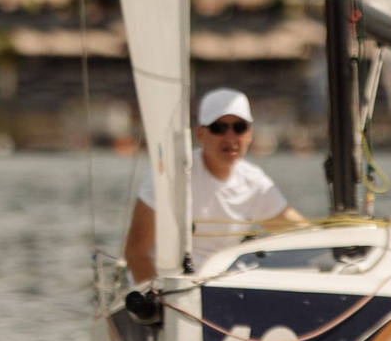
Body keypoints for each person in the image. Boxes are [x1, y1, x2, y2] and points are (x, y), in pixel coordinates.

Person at [124, 90, 307, 284]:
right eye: (219, 128)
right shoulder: (171, 175)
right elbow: (136, 252)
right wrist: (159, 304)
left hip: (216, 291)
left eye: (239, 127)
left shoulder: (254, 181)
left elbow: (300, 231)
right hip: (163, 290)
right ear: (201, 135)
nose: (230, 137)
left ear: (250, 134)